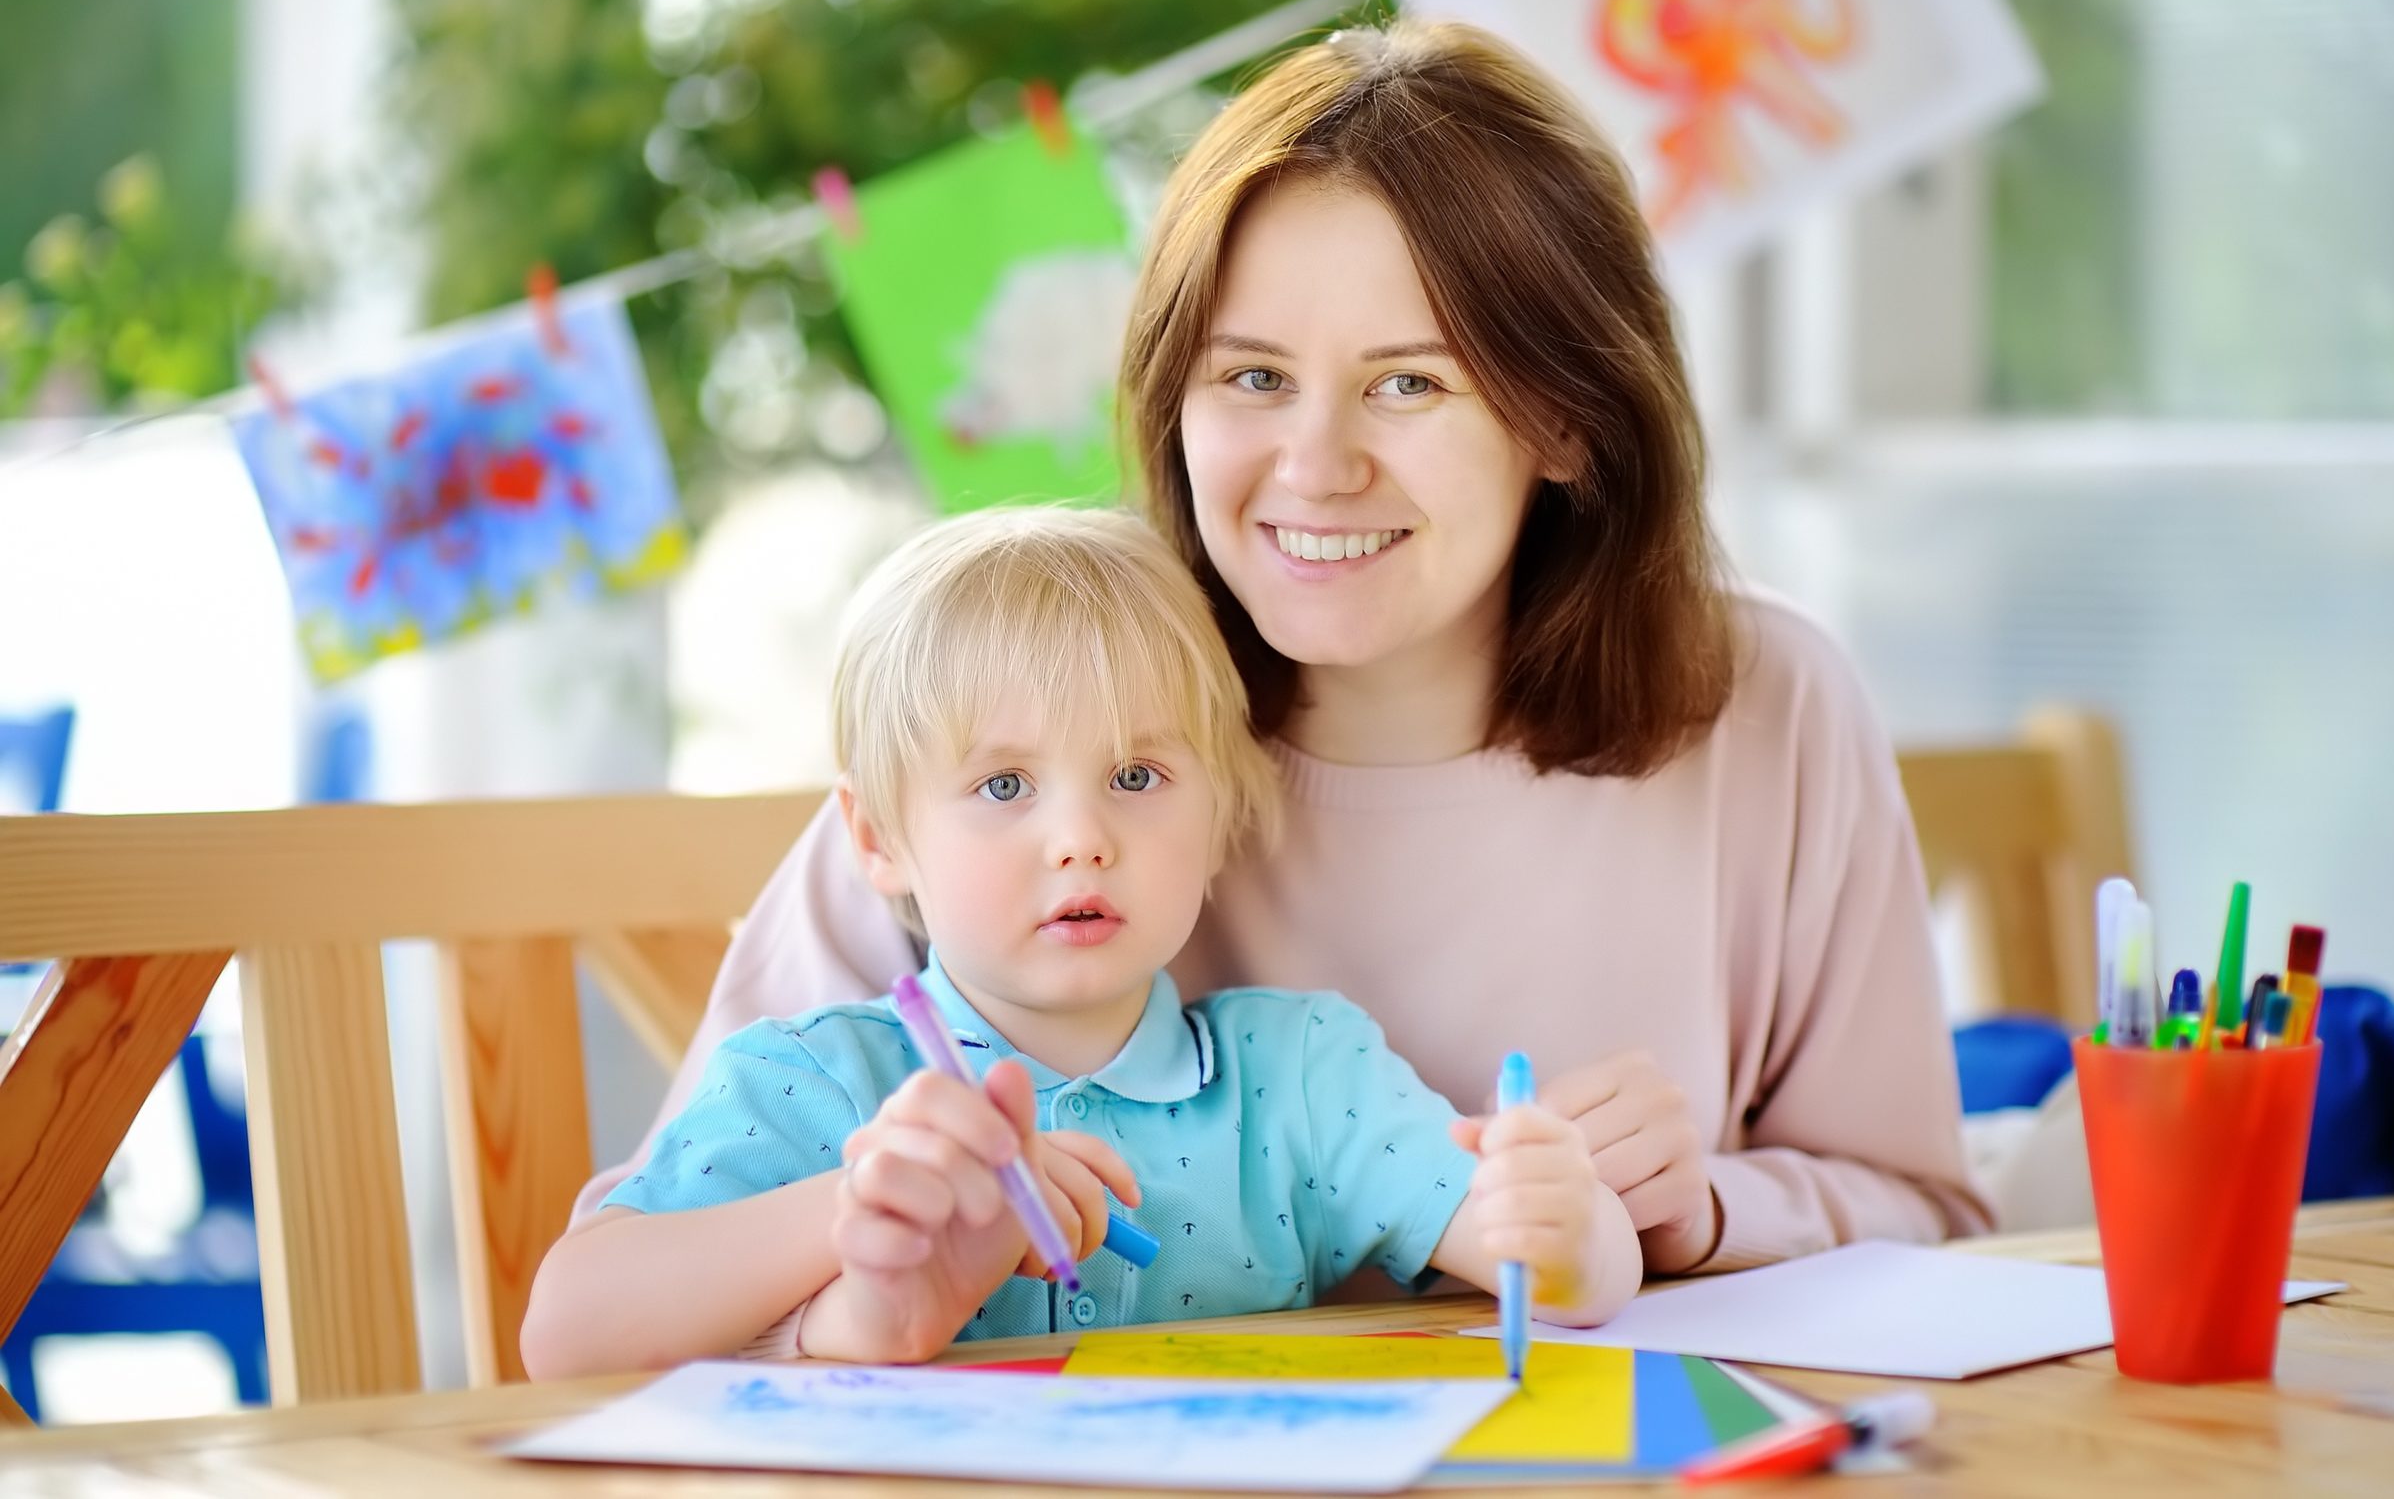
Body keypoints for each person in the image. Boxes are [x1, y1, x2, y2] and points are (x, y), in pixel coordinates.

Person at [570, 19, 1989, 1337]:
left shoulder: (1766, 702)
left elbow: (1925, 1209)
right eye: (1250, 378)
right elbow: (644, 1288)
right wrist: (865, 1257)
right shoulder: (1042, 701)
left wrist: (1702, 1209)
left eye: (1408, 383)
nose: (1314, 466)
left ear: (1564, 413)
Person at [521, 508, 1639, 1374]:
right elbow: (565, 1333)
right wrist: (851, 1209)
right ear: (877, 839)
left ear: (1219, 819)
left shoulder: (1299, 1075)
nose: (1079, 840)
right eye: (1003, 784)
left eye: (1137, 776)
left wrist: (1566, 1224)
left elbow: (1565, 1276)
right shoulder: (817, 1080)